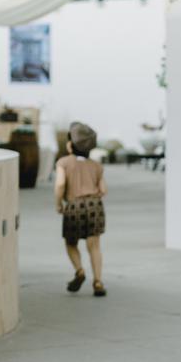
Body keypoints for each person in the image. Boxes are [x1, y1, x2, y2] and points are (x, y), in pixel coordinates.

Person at [54, 121, 107, 296]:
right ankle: (98, 281)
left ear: (70, 144)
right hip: (94, 206)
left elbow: (60, 184)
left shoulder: (63, 163)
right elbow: (103, 190)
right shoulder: (96, 166)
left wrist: (58, 203)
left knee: (71, 243)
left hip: (74, 206)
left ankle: (79, 270)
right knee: (94, 246)